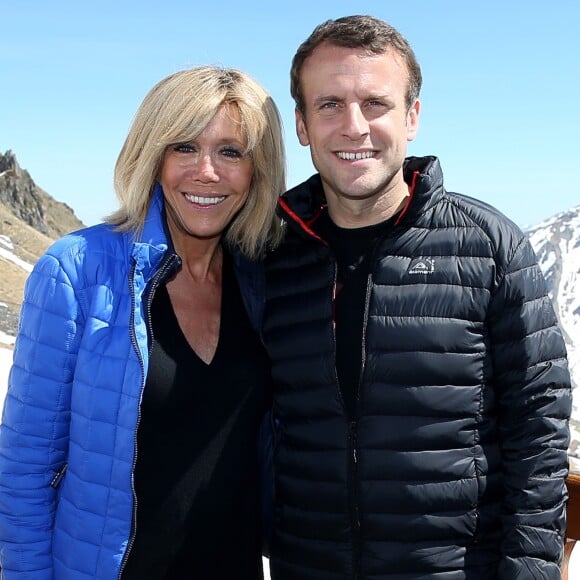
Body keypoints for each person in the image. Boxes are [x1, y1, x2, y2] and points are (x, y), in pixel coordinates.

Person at [261, 14, 572, 579]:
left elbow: (539, 431)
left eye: (375, 103)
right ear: (302, 125)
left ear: (412, 117)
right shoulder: (271, 254)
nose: (354, 126)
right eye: (329, 105)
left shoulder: (489, 246)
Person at [0, 65, 285, 579]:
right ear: (151, 156)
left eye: (230, 151)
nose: (207, 172)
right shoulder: (76, 271)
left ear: (258, 168)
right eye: (183, 147)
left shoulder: (264, 279)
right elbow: (24, 471)